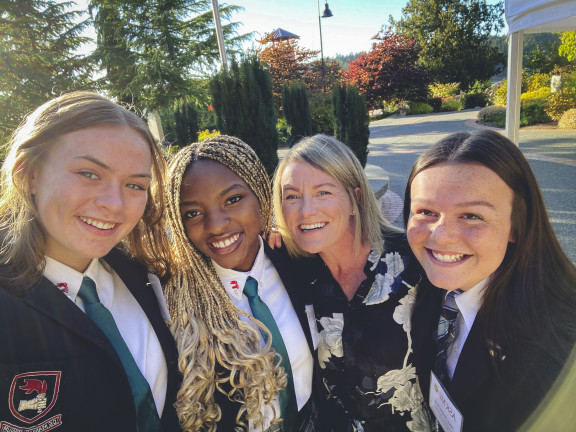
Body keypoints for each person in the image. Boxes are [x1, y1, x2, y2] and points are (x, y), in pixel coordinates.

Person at [0, 91, 181, 432]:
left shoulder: (145, 274)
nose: (114, 204)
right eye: (89, 174)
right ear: (30, 174)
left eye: (134, 185)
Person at [405, 130, 576, 432]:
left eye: (471, 216)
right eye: (426, 212)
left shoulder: (554, 361)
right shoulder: (435, 280)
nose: (441, 236)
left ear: (516, 226)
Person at [271, 134, 433, 432]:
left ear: (354, 199)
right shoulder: (294, 273)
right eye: (292, 196)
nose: (306, 210)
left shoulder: (413, 263)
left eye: (323, 192)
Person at [163, 135, 316, 432]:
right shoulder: (174, 299)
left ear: (259, 194)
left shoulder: (297, 258)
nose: (216, 224)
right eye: (193, 213)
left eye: (233, 200)